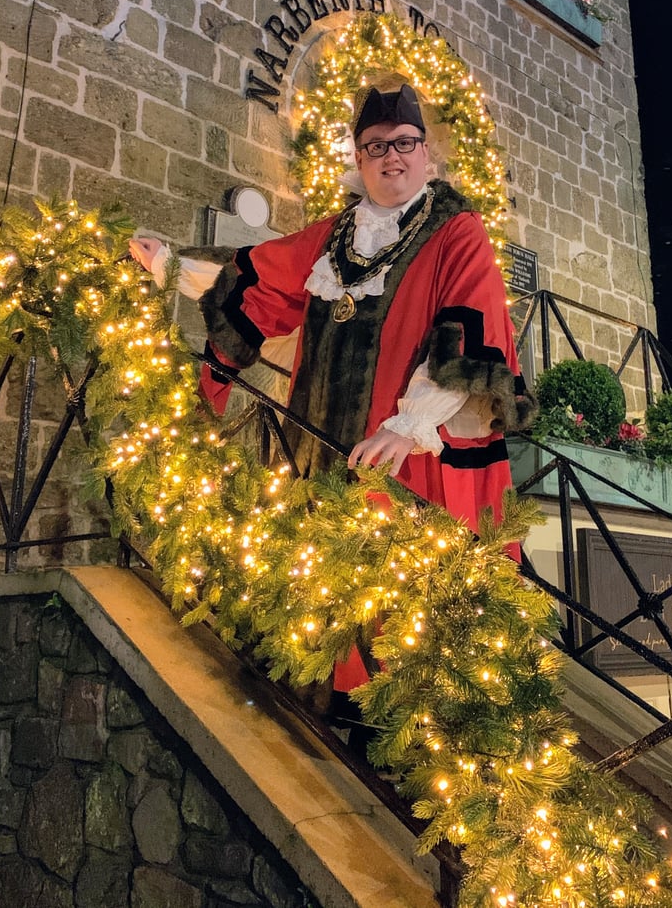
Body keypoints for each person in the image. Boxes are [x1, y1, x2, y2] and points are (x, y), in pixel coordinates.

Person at [129, 82, 536, 701]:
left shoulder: (457, 232)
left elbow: (470, 328)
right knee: (314, 585)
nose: (390, 157)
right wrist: (170, 265)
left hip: (398, 460)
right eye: (375, 147)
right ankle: (319, 690)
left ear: (426, 154)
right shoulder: (335, 237)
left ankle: (395, 717)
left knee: (398, 607)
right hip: (314, 446)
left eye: (403, 144)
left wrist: (407, 426)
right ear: (359, 157)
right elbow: (261, 271)